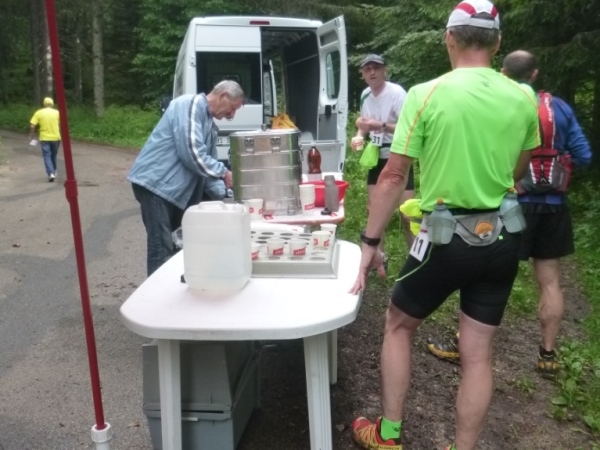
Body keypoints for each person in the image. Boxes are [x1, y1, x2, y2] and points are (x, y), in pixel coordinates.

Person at [349, 2, 540, 450]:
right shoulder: (522, 97)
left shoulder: (426, 93)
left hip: (444, 237)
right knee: (477, 354)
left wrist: (370, 242)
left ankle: (389, 435)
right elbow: (518, 170)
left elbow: (393, 177)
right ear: (497, 43)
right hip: (502, 236)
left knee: (398, 325)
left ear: (449, 38)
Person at [427, 50, 592, 379]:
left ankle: (463, 343)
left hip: (510, 204)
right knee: (550, 282)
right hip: (553, 207)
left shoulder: (499, 104)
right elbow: (584, 155)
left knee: (483, 276)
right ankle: (547, 354)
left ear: (502, 72)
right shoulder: (558, 108)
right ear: (534, 74)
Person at [128, 80, 245, 277]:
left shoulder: (210, 126)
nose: (232, 115)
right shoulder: (190, 105)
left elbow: (207, 172)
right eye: (232, 108)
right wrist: (224, 173)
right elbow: (192, 153)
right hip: (156, 185)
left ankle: (174, 290)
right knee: (161, 248)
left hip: (173, 191)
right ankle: (159, 294)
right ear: (223, 96)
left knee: (180, 243)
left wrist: (229, 197)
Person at [351, 54, 414, 256]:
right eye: (367, 69)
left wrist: (381, 125)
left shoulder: (397, 93)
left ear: (385, 70)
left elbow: (409, 128)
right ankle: (379, 259)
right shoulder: (365, 95)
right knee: (374, 212)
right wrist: (358, 136)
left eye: (376, 68)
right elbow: (364, 124)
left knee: (408, 213)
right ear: (362, 74)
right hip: (376, 155)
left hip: (398, 155)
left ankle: (416, 259)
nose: (372, 73)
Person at [29, 97, 61, 182]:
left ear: (44, 104)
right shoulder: (57, 113)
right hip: (56, 137)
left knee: (47, 155)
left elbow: (32, 126)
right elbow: (61, 124)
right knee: (53, 155)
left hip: (44, 138)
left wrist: (32, 136)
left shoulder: (39, 113)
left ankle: (51, 173)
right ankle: (54, 171)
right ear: (52, 104)